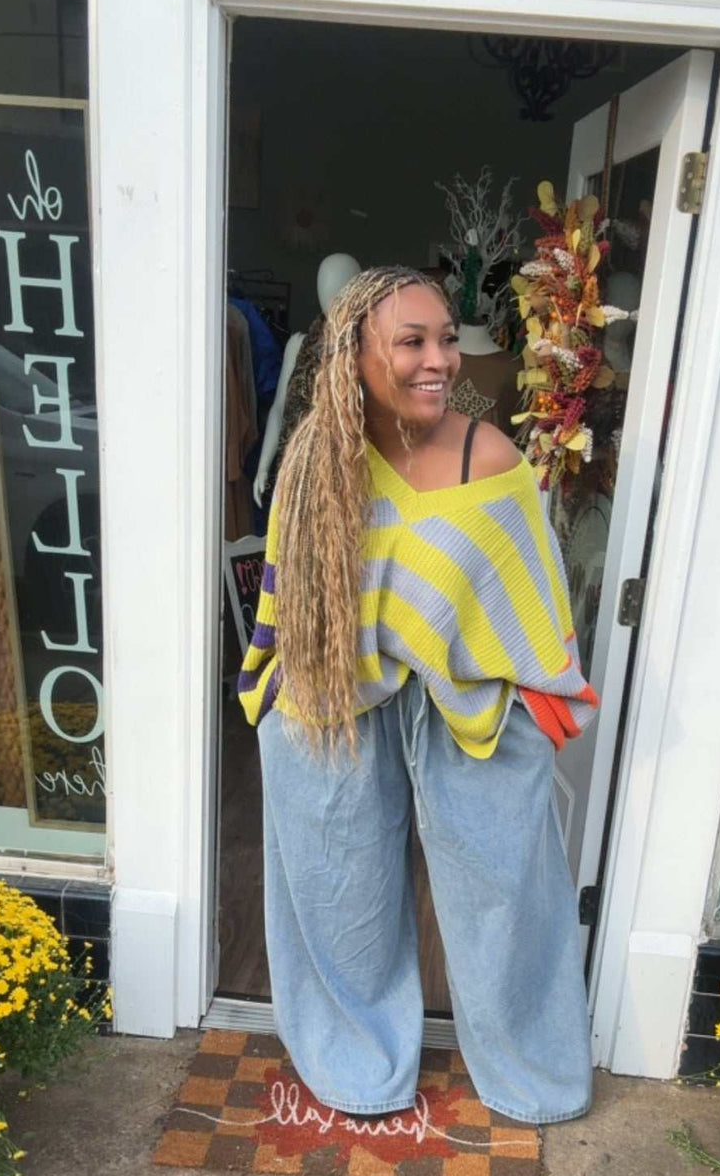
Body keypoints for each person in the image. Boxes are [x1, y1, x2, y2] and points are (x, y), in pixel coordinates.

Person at [239, 265, 599, 1125]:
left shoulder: (490, 457)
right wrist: (279, 694)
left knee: (506, 898)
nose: (440, 359)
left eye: (444, 339)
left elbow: (534, 603)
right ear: (354, 353)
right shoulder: (314, 465)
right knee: (340, 888)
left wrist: (539, 710)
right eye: (412, 341)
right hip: (338, 701)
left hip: (470, 706)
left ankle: (532, 1074)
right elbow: (287, 600)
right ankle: (361, 1066)